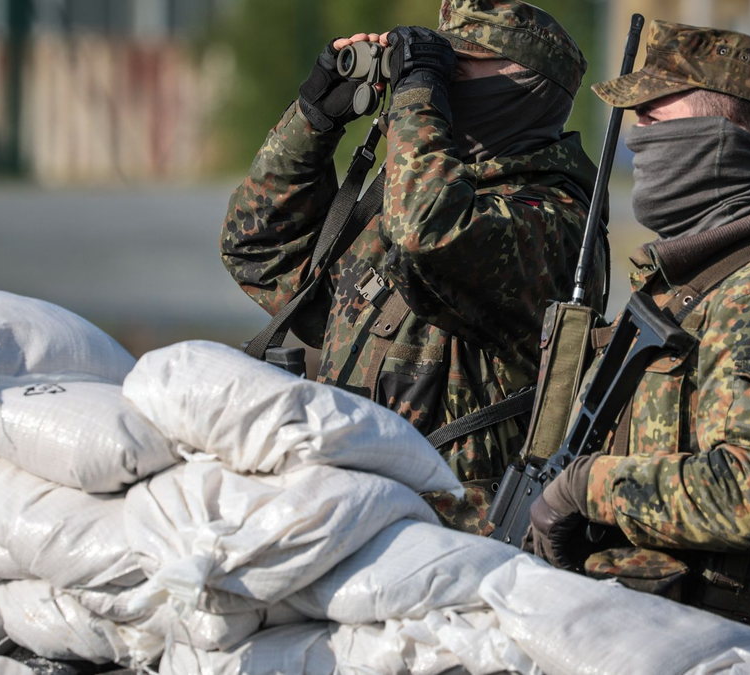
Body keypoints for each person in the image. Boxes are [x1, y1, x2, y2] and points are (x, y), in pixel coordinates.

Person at [526, 20, 750, 636]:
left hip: (691, 641)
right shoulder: (689, 285)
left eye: (653, 119)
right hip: (620, 629)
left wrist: (586, 487)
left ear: (718, 139)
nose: (637, 138)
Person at [221, 0, 606, 534]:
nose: (445, 82)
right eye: (439, 65)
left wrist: (418, 94)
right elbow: (258, 252)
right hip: (352, 507)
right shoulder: (417, 192)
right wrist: (314, 121)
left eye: (460, 65)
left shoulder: (551, 219)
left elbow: (427, 232)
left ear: (527, 85)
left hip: (454, 534)